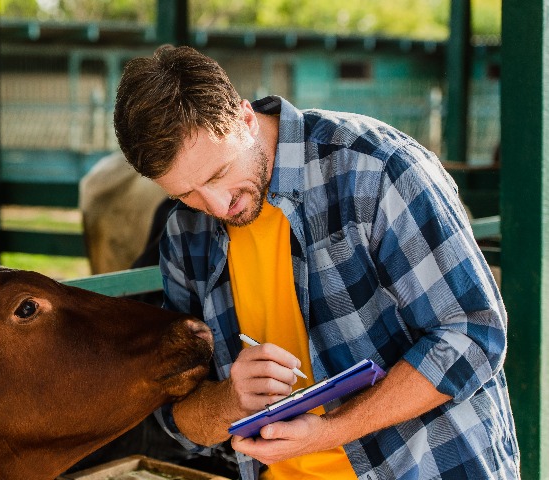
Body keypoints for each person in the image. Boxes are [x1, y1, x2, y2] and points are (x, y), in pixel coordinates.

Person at [113, 45, 519, 480]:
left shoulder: (375, 168)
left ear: (246, 119)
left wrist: (330, 431)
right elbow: (179, 420)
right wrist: (230, 399)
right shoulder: (184, 231)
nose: (216, 205)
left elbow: (474, 334)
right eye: (185, 193)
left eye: (217, 174)